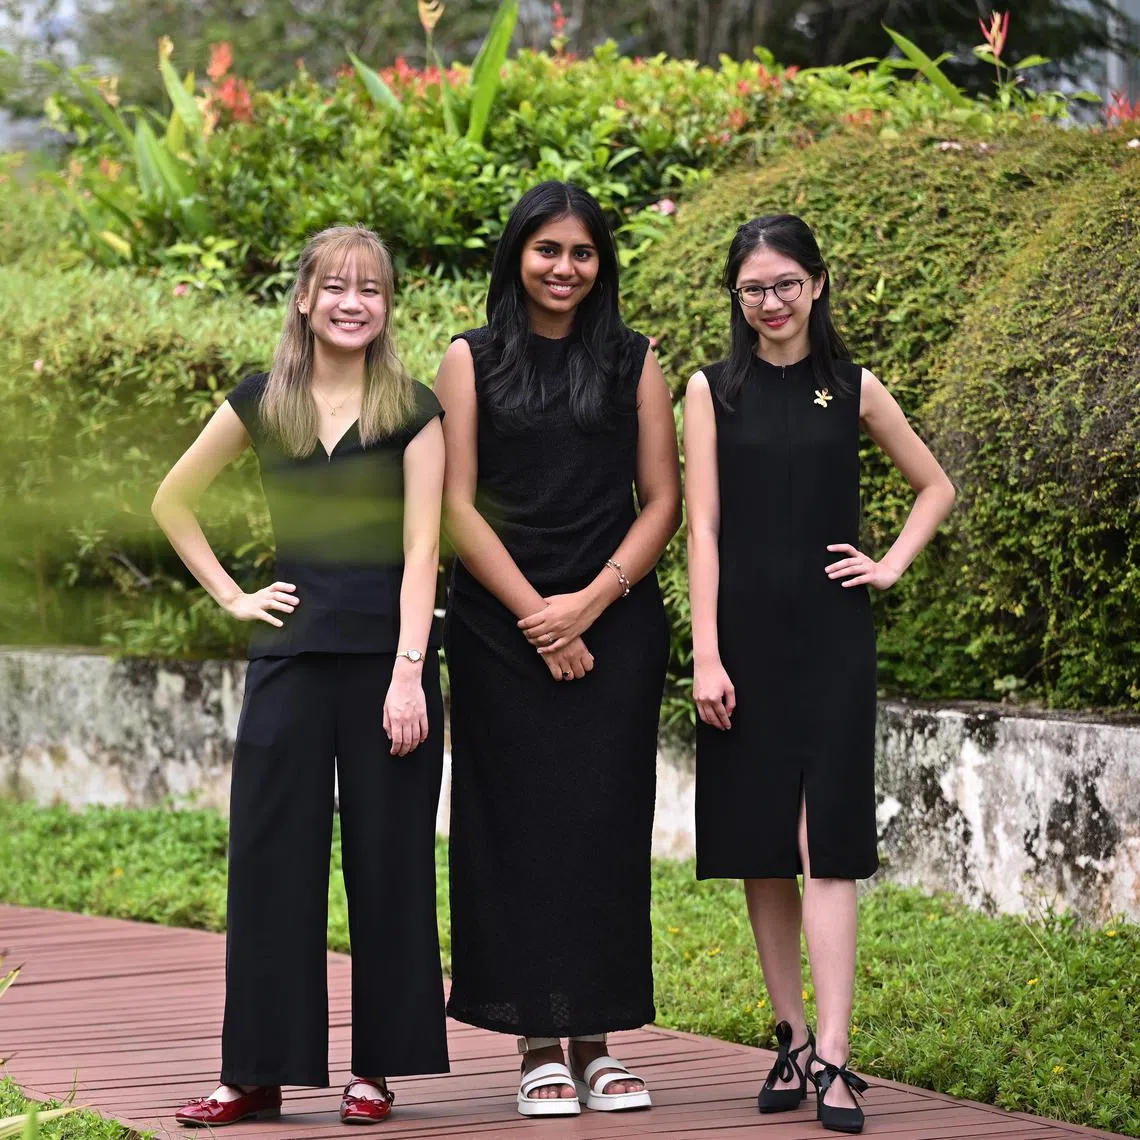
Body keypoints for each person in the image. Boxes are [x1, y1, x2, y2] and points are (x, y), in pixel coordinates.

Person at [152, 224, 449, 1127]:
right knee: (271, 864)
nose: (355, 302)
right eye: (337, 286)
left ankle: (378, 1070)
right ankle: (255, 1072)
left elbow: (424, 547)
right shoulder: (262, 401)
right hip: (287, 658)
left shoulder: (414, 408)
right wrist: (235, 597)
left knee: (389, 863)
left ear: (388, 306)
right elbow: (172, 499)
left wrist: (408, 674)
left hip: (387, 665)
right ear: (305, 299)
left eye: (373, 289)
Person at [683, 215, 955, 1134]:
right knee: (764, 848)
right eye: (754, 288)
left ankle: (837, 1056)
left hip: (834, 640)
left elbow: (935, 485)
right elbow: (704, 527)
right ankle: (792, 1041)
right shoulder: (710, 390)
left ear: (819, 285)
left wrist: (888, 565)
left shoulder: (855, 385)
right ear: (737, 295)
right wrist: (706, 653)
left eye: (786, 284)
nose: (771, 302)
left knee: (825, 845)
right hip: (744, 644)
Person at [434, 181, 681, 1118]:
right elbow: (457, 503)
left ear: (600, 264)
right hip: (501, 630)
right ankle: (537, 1043)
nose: (564, 269)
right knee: (514, 830)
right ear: (517, 256)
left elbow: (662, 500)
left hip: (614, 625)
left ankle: (600, 1044)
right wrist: (541, 616)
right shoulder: (472, 357)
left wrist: (588, 606)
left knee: (602, 830)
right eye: (548, 251)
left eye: (582, 254)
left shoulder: (633, 359)